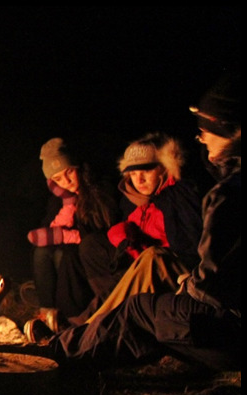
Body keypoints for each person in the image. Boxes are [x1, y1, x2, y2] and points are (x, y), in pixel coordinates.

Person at [46, 73, 240, 371]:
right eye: (132, 174)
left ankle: (59, 352)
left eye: (206, 130)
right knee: (90, 250)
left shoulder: (216, 194)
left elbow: (203, 269)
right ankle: (80, 330)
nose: (200, 137)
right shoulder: (135, 200)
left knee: (146, 284)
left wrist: (185, 285)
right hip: (210, 304)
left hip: (222, 323)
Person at [65, 132, 203, 324]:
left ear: (163, 168)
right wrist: (123, 235)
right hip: (139, 263)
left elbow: (191, 248)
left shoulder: (178, 196)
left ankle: (88, 327)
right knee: (92, 246)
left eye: (146, 171)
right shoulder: (131, 200)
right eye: (133, 173)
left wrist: (143, 249)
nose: (139, 180)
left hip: (169, 271)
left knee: (149, 259)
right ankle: (99, 320)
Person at [24, 138, 120, 336]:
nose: (66, 182)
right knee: (42, 253)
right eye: (58, 179)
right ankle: (48, 312)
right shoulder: (61, 198)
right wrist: (65, 212)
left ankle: (70, 319)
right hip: (74, 249)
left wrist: (69, 233)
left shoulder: (97, 189)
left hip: (93, 254)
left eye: (69, 172)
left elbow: (101, 231)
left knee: (65, 255)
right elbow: (45, 232)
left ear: (78, 167)